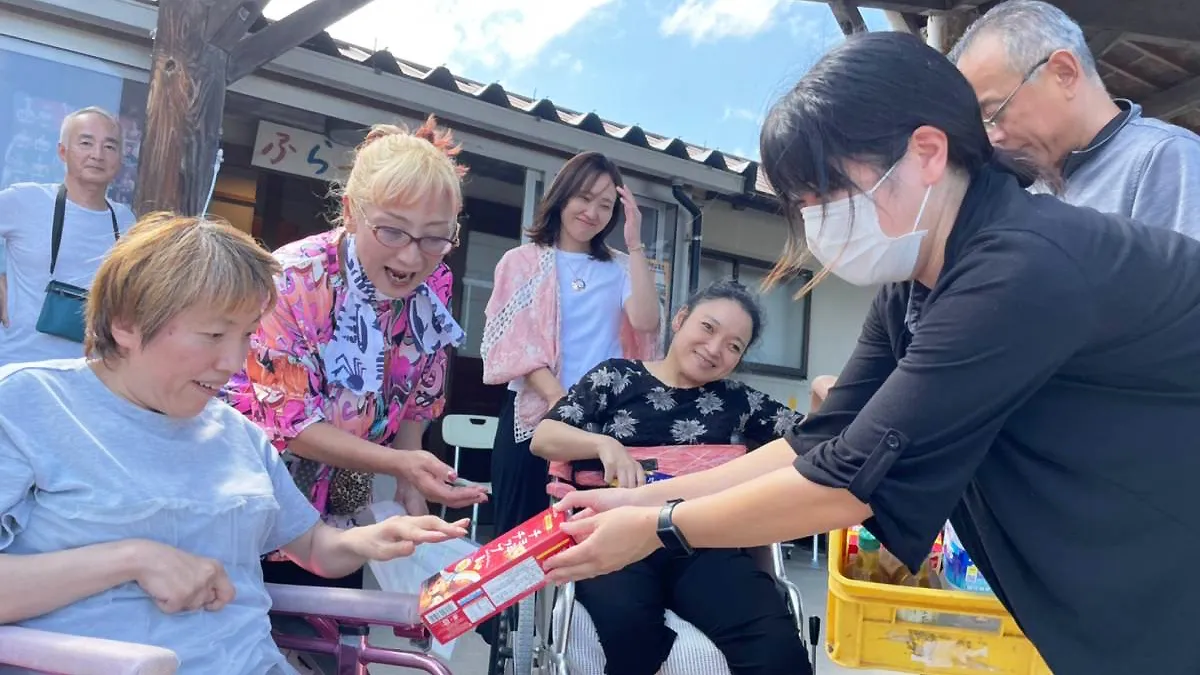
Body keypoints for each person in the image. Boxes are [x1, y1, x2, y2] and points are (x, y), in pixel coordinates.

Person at [542, 31, 1200, 675]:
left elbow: (852, 479)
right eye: (801, 203)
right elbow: (820, 441)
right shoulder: (914, 287)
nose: (816, 218)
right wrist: (639, 503)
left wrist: (663, 526)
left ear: (927, 152)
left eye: (825, 191)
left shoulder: (1022, 265)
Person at [0, 212, 470, 674]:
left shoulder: (237, 431)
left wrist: (369, 540)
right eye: (213, 335)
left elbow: (309, 544)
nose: (233, 361)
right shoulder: (27, 405)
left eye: (246, 335)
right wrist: (130, 559)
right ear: (125, 323)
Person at [222, 116, 487, 592]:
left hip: (346, 494)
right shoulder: (294, 279)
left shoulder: (435, 282)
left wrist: (410, 476)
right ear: (350, 212)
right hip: (256, 482)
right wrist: (399, 466)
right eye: (392, 231)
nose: (411, 258)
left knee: (332, 634)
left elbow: (421, 389)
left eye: (434, 237)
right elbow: (290, 421)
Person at [530, 280, 808, 675]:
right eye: (708, 328)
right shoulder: (615, 377)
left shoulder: (740, 400)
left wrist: (828, 397)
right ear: (680, 319)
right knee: (631, 631)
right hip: (613, 531)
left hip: (703, 537)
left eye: (733, 345)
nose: (714, 349)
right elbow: (545, 438)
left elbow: (812, 437)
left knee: (776, 647)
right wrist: (605, 445)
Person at [481, 151, 662, 538]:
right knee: (518, 537)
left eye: (605, 205)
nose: (591, 212)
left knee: (589, 536)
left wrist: (635, 245)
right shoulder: (521, 261)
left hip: (602, 421)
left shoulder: (620, 267)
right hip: (533, 415)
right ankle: (518, 604)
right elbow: (519, 346)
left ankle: (569, 604)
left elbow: (647, 322)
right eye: (584, 197)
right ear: (562, 195)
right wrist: (559, 402)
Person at [950, 0, 1200, 238]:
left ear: (1064, 73)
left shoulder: (1166, 160)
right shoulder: (1029, 183)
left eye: (995, 112)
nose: (994, 137)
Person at [0, 106, 136, 365]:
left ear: (119, 159)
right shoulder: (27, 200)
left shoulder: (126, 221)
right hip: (16, 366)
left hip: (88, 374)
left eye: (109, 147)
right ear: (63, 151)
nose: (97, 155)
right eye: (86, 143)